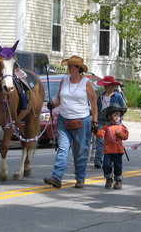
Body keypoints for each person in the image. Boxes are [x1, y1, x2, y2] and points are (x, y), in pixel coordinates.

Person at [43, 55, 98, 189]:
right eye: (69, 66)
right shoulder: (64, 80)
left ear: (79, 69)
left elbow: (94, 104)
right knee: (62, 149)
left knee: (80, 152)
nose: (70, 69)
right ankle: (56, 177)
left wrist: (95, 121)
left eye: (72, 66)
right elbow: (59, 100)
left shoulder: (86, 83)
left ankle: (80, 178)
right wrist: (52, 104)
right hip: (63, 120)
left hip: (81, 121)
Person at [94, 76, 127, 169]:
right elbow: (96, 108)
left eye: (109, 85)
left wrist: (117, 116)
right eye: (106, 85)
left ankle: (111, 160)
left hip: (113, 123)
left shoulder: (118, 96)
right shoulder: (101, 97)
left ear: (113, 86)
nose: (107, 87)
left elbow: (124, 108)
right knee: (100, 141)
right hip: (101, 121)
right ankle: (98, 161)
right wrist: (95, 120)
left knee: (112, 141)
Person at [96, 105, 128, 189]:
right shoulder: (106, 127)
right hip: (108, 151)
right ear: (110, 117)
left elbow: (125, 136)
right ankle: (109, 178)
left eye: (119, 115)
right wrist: (96, 131)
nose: (117, 117)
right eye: (115, 115)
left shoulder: (122, 127)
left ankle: (118, 180)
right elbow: (100, 134)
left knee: (118, 167)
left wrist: (120, 134)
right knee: (106, 165)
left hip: (118, 151)